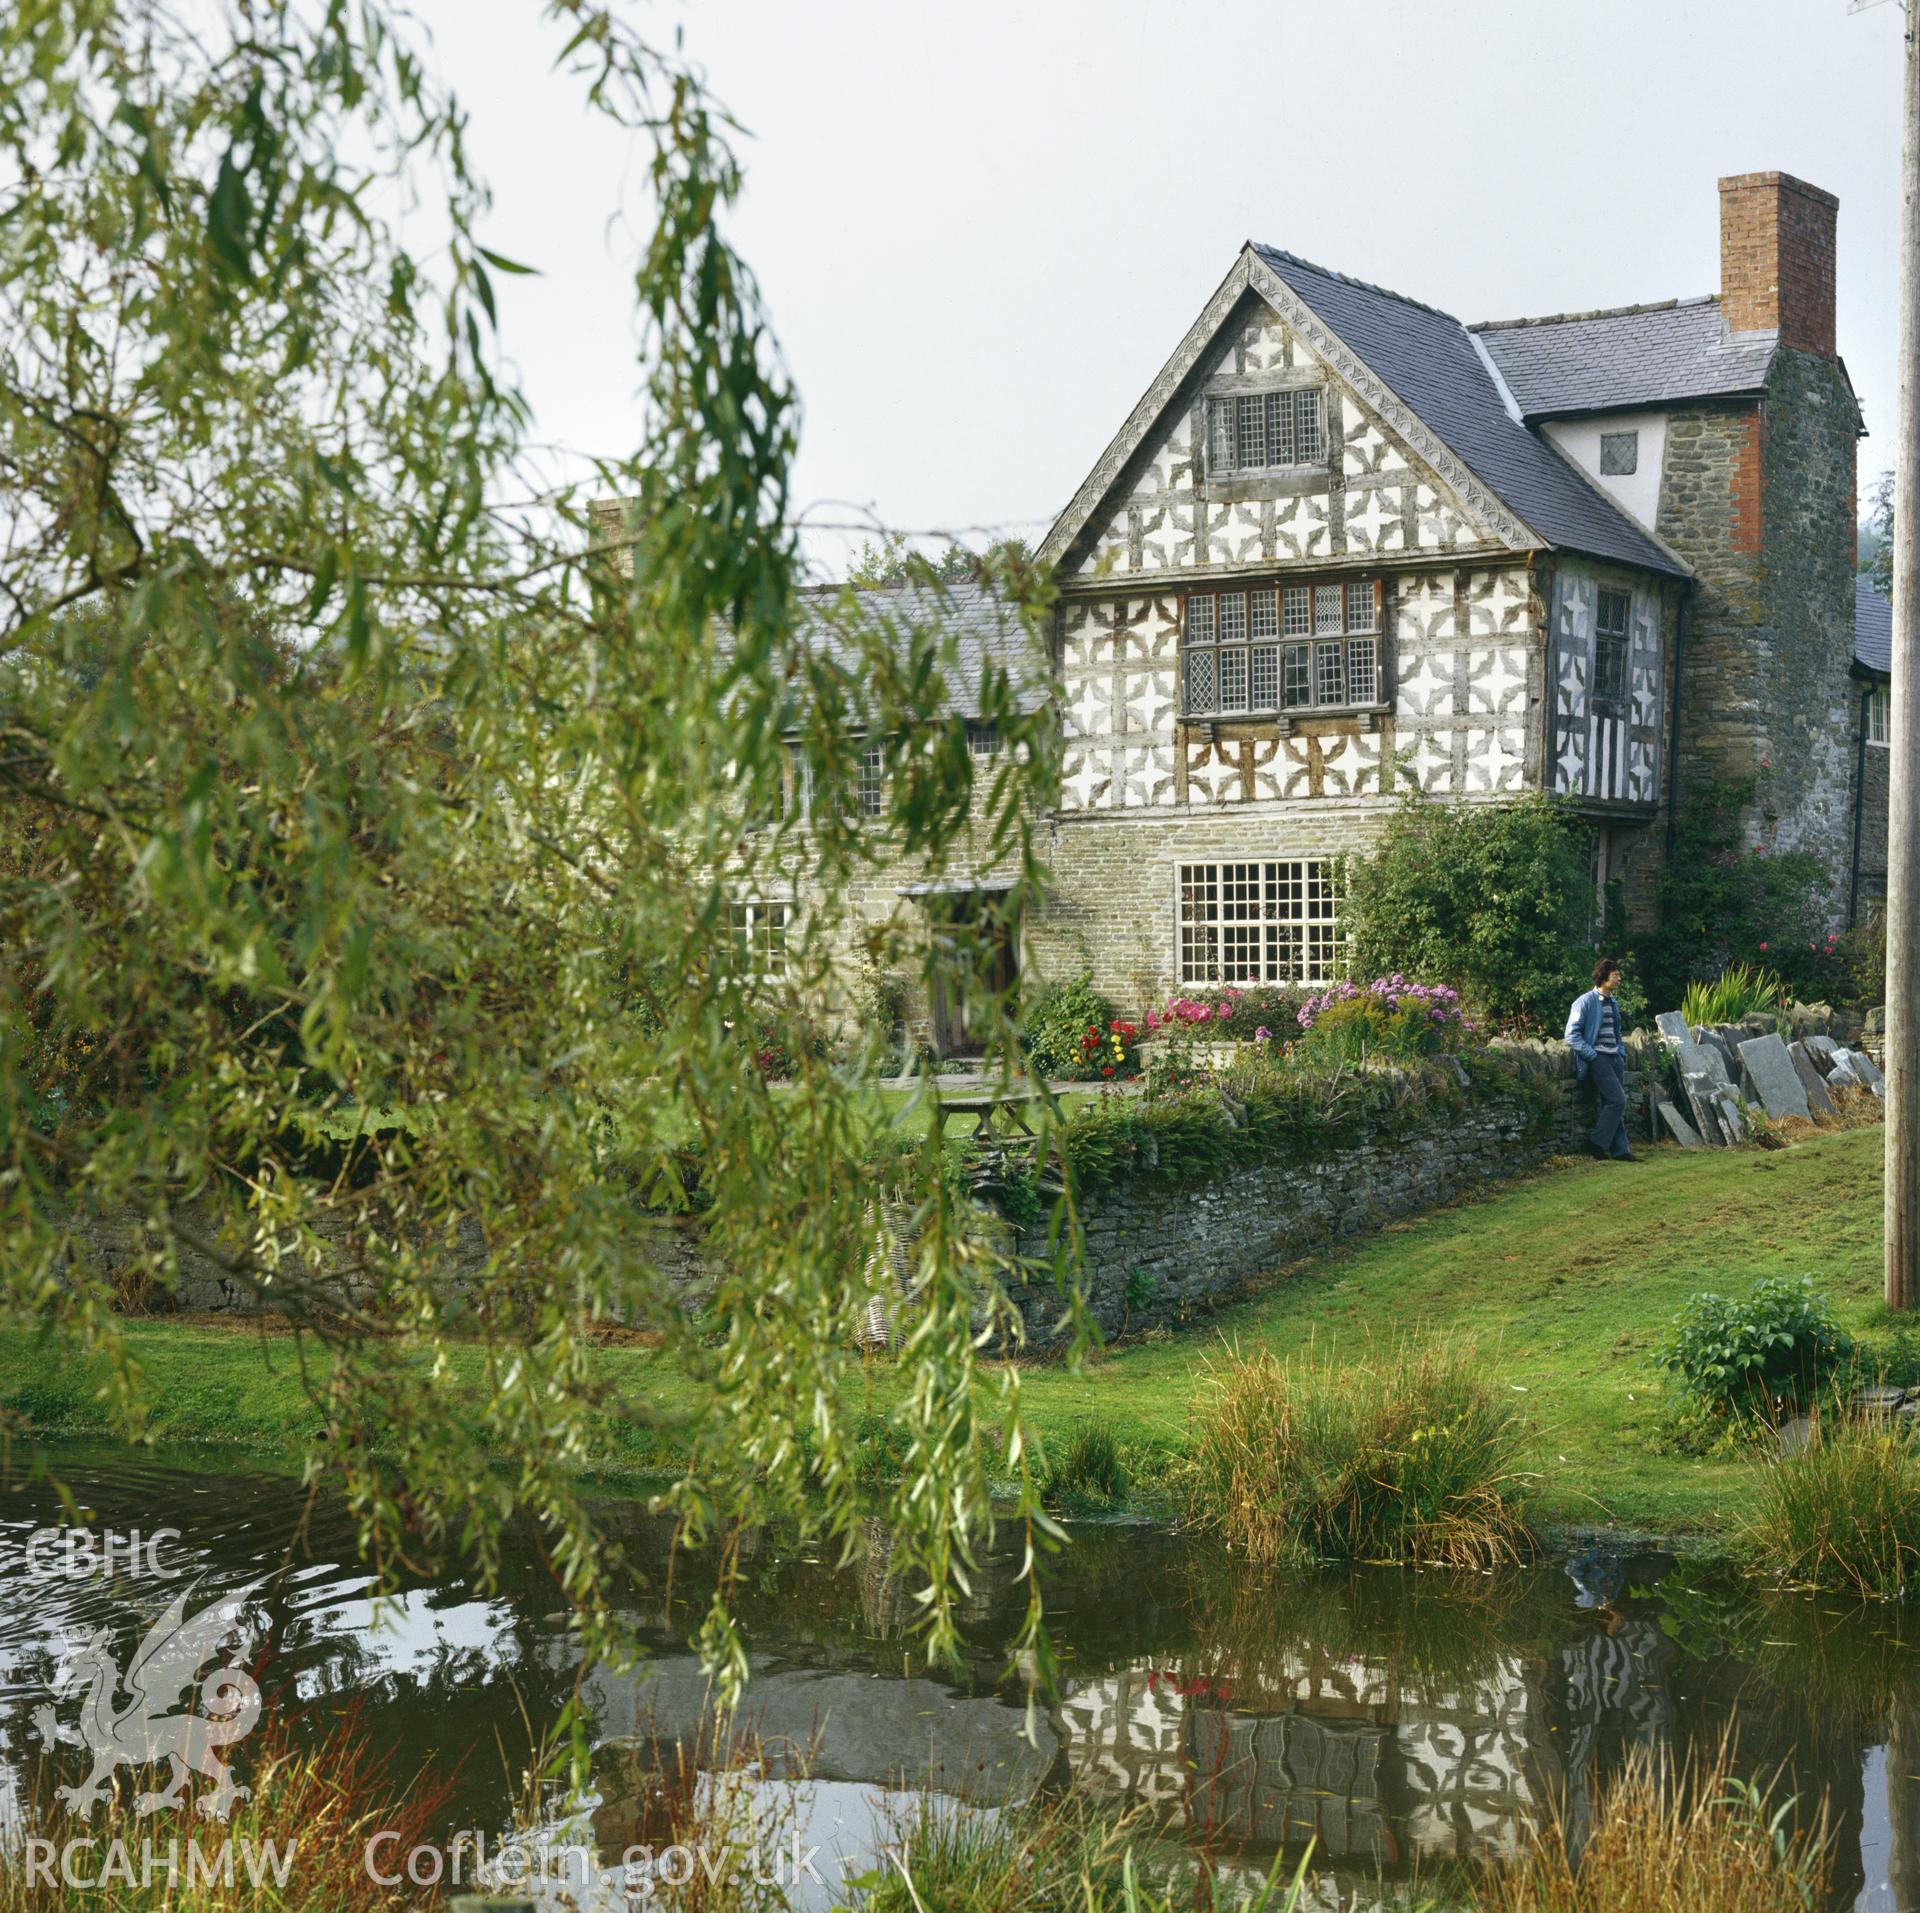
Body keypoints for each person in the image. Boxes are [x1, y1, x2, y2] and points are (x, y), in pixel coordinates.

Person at [1564, 958, 1638, 1162]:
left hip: (1615, 1058)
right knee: (1618, 1100)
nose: (1619, 979)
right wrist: (1592, 1055)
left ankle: (1620, 1150)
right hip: (1599, 1059)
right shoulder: (1584, 1001)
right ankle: (1596, 1143)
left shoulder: (1613, 1002)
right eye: (1616, 975)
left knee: (1612, 1102)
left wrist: (1620, 1051)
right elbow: (1571, 1035)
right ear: (1603, 977)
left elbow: (1616, 1032)